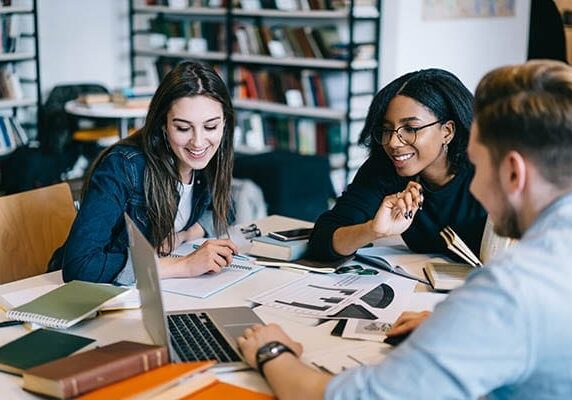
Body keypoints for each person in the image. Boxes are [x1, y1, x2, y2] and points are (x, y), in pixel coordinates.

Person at [237, 60, 572, 399]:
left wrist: (273, 352)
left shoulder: (509, 289)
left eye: (480, 163)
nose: (476, 187)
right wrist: (463, 327)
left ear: (514, 173)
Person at [51, 61, 239, 284]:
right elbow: (79, 266)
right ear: (163, 125)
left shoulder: (209, 158)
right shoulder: (123, 166)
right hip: (89, 295)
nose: (198, 142)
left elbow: (224, 209)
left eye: (210, 127)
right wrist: (185, 265)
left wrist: (183, 236)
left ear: (224, 123)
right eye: (182, 128)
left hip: (156, 290)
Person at [307, 68, 486, 262]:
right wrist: (372, 230)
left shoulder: (489, 172)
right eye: (387, 129)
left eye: (410, 128)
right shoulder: (385, 168)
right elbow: (321, 241)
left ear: (447, 131)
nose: (393, 142)